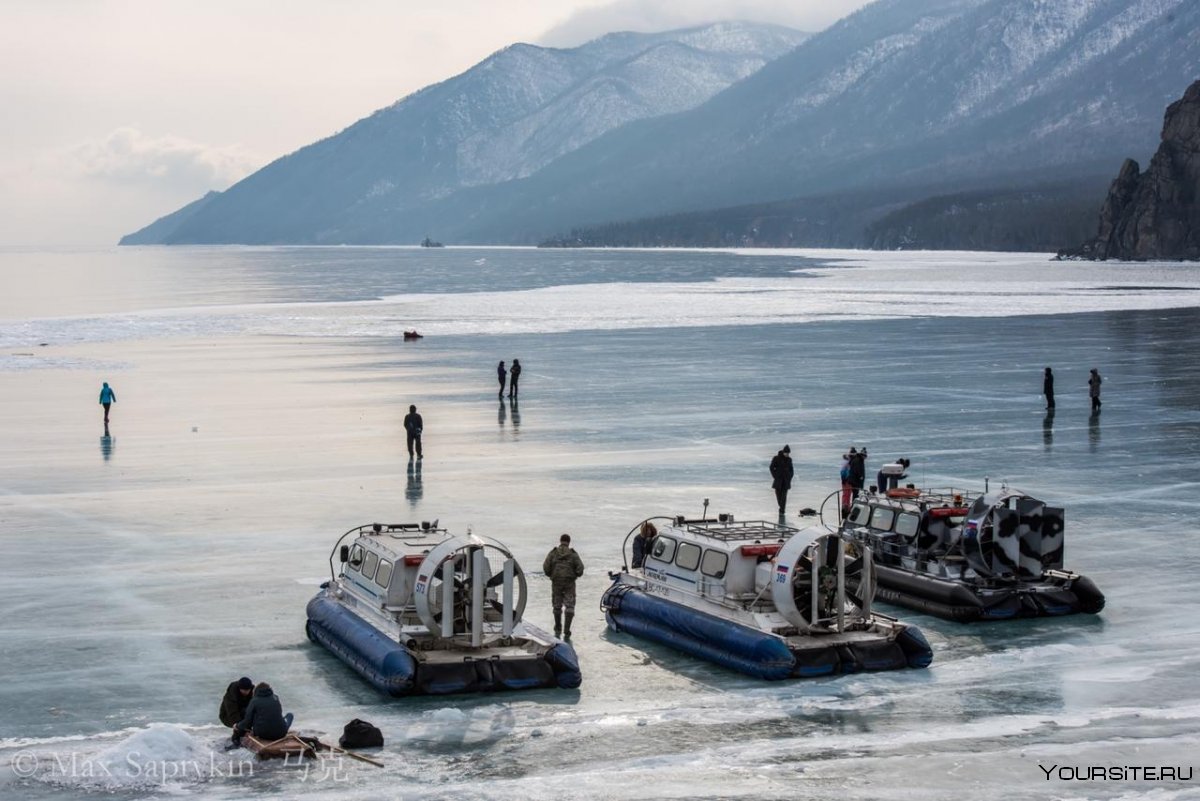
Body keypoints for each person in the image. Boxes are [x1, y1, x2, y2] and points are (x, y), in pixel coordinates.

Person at [543, 533, 584, 638]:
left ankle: (557, 627)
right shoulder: (573, 554)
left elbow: (546, 567)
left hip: (556, 582)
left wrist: (552, 575)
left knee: (557, 605)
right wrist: (574, 575)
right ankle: (567, 630)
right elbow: (580, 569)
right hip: (569, 583)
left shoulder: (553, 553)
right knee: (569, 606)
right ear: (569, 542)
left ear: (560, 541)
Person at [769, 445, 794, 515]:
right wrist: (775, 476)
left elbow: (791, 470)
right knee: (778, 496)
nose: (787, 454)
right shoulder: (776, 458)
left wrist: (789, 477)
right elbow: (771, 467)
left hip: (786, 481)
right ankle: (781, 507)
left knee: (784, 496)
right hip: (778, 480)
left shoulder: (789, 459)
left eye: (788, 453)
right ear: (783, 452)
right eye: (786, 453)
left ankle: (782, 510)